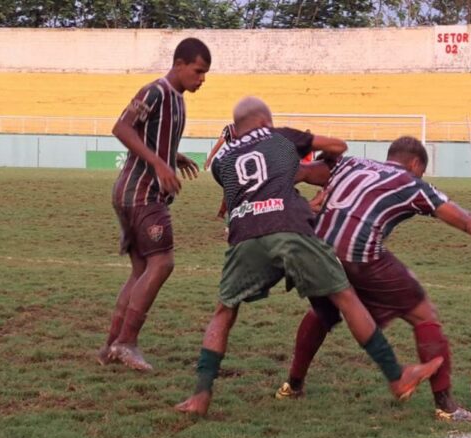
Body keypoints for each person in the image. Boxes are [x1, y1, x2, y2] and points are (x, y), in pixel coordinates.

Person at [175, 98, 442, 417]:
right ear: (263, 121)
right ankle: (397, 378)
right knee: (345, 297)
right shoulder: (279, 135)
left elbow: (253, 190)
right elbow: (338, 145)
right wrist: (319, 155)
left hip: (244, 234)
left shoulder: (223, 160)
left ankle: (200, 396)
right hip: (289, 230)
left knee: (224, 311)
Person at [274, 136, 471, 423]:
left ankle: (293, 386)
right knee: (424, 315)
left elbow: (298, 172)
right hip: (359, 253)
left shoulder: (349, 164)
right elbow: (465, 219)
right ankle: (447, 407)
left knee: (322, 310)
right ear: (415, 163)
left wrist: (294, 205)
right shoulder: (412, 182)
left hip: (313, 251)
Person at [97, 38, 211, 371]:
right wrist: (160, 165)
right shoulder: (155, 91)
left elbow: (149, 138)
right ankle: (126, 343)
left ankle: (110, 348)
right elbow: (121, 128)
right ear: (179, 64)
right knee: (162, 264)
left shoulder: (179, 101)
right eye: (198, 71)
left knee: (141, 270)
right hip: (141, 192)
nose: (202, 79)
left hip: (138, 192)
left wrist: (172, 156)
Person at [204, 123, 238, 221]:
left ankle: (222, 213)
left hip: (220, 162)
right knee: (233, 188)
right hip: (232, 163)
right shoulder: (252, 129)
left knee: (230, 188)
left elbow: (220, 142)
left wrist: (210, 158)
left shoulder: (229, 128)